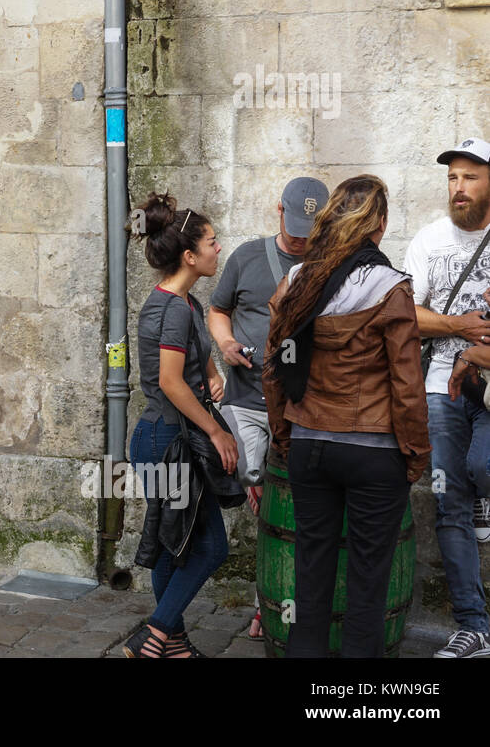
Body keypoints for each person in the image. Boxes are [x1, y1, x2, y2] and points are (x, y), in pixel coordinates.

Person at [265, 175, 428, 658]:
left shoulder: (297, 283)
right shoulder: (390, 288)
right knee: (366, 589)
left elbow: (275, 371)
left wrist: (284, 435)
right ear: (379, 224)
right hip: (374, 455)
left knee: (310, 579)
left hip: (311, 447)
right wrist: (416, 455)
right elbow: (407, 385)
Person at [208, 176, 327, 638]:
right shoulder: (246, 257)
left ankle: (272, 604)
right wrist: (226, 343)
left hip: (300, 405)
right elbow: (218, 310)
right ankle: (277, 600)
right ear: (279, 210)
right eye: (295, 224)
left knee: (287, 506)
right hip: (245, 397)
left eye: (309, 228)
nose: (300, 236)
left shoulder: (327, 263)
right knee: (255, 481)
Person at [124, 192, 238, 658]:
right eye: (212, 242)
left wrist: (211, 373)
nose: (218, 249)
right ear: (190, 255)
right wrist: (216, 430)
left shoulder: (185, 303)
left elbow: (190, 364)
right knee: (210, 549)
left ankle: (172, 644)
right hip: (166, 441)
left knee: (176, 543)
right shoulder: (171, 309)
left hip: (168, 439)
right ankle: (153, 637)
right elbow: (170, 383)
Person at [404, 137, 490, 657]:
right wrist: (456, 325)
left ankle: (483, 491)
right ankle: (473, 627)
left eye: (470, 178)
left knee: (482, 469)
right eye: (452, 178)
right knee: (448, 503)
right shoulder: (429, 240)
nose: (458, 188)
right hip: (439, 388)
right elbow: (404, 314)